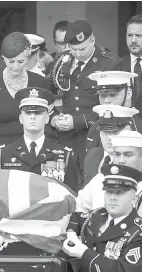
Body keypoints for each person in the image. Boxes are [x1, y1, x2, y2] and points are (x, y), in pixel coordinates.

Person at [0, 32, 55, 170]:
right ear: (3, 58)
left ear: (28, 57)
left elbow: (49, 118)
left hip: (33, 154)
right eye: (11, 61)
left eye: (21, 61)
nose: (16, 66)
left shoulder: (39, 82)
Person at [48, 20, 122, 170]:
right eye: (73, 49)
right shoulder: (60, 61)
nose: (78, 53)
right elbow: (47, 94)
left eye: (82, 48)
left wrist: (78, 121)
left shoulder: (110, 64)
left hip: (97, 138)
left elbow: (116, 108)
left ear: (93, 40)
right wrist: (53, 117)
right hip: (65, 138)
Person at [0, 87, 80, 192]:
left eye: (38, 113)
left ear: (47, 118)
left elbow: (70, 197)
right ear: (21, 118)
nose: (32, 117)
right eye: (28, 113)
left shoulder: (64, 155)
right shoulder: (3, 155)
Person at [63, 163, 142, 272]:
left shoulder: (137, 233)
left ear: (134, 199)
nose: (113, 198)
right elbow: (75, 217)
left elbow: (124, 269)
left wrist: (84, 253)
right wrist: (71, 233)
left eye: (119, 193)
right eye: (109, 192)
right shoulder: (97, 215)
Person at [74, 130, 142, 215]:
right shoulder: (100, 180)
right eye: (117, 154)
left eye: (128, 155)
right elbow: (79, 208)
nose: (121, 160)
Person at [85, 71, 142, 153]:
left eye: (112, 95)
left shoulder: (139, 128)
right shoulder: (95, 127)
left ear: (129, 93)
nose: (106, 100)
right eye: (102, 95)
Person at [83, 104, 138, 187]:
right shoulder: (93, 155)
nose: (109, 137)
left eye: (115, 132)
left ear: (129, 130)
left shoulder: (136, 161)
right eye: (105, 132)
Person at [120, 14, 142, 117]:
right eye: (130, 35)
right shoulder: (117, 65)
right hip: (126, 128)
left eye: (138, 36)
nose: (133, 40)